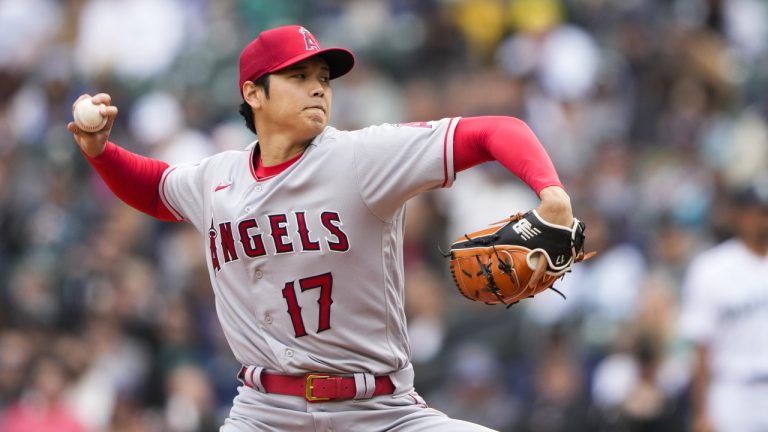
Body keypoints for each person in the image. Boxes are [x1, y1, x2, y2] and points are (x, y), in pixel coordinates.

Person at [68, 24, 576, 432]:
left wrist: (551, 192)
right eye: (298, 75)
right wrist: (101, 153)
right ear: (253, 92)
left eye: (323, 77)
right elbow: (155, 189)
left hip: (380, 410)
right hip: (264, 412)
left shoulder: (362, 157)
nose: (317, 87)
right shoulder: (216, 179)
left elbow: (494, 131)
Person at [679, 178, 768, 432]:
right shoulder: (711, 268)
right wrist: (700, 412)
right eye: (757, 212)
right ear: (739, 216)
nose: (763, 220)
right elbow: (700, 348)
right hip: (731, 389)